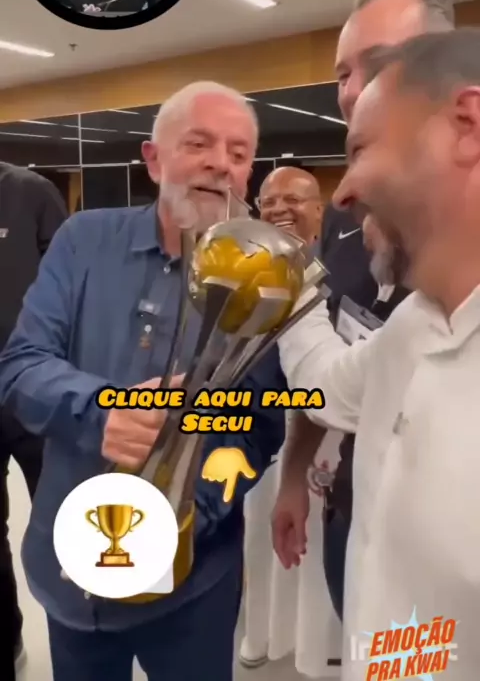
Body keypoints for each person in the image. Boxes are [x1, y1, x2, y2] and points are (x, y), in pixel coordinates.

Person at [0, 82, 287, 681]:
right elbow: (21, 366)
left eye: (238, 153)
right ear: (153, 161)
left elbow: (259, 427)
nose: (220, 163)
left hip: (193, 585)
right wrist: (102, 412)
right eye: (199, 144)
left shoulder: (264, 280)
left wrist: (188, 512)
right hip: (69, 569)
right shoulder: (82, 242)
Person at [279, 27, 480, 680]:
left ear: (468, 126)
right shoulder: (415, 327)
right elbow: (321, 381)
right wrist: (289, 278)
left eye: (362, 149)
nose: (341, 194)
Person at [240, 167, 343, 676]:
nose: (279, 208)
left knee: (316, 545)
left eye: (294, 200)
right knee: (259, 538)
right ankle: (261, 633)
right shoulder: (245, 270)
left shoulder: (345, 268)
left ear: (319, 210)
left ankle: (315, 647)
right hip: (263, 428)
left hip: (325, 429)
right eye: (268, 201)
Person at [0, 162, 68, 680]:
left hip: (35, 391)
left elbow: (70, 290)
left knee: (63, 524)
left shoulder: (30, 193)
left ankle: (79, 643)